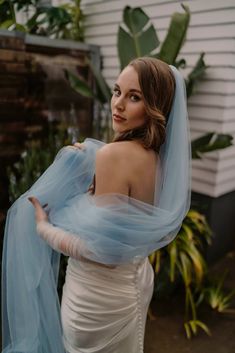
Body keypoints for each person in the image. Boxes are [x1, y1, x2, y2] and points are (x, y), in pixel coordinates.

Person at [2, 57, 191, 353]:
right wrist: (90, 157)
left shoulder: (112, 157)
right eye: (117, 91)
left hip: (96, 298)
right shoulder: (161, 159)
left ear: (155, 106)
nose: (118, 104)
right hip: (135, 284)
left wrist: (44, 228)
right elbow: (125, 207)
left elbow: (106, 253)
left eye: (134, 97)